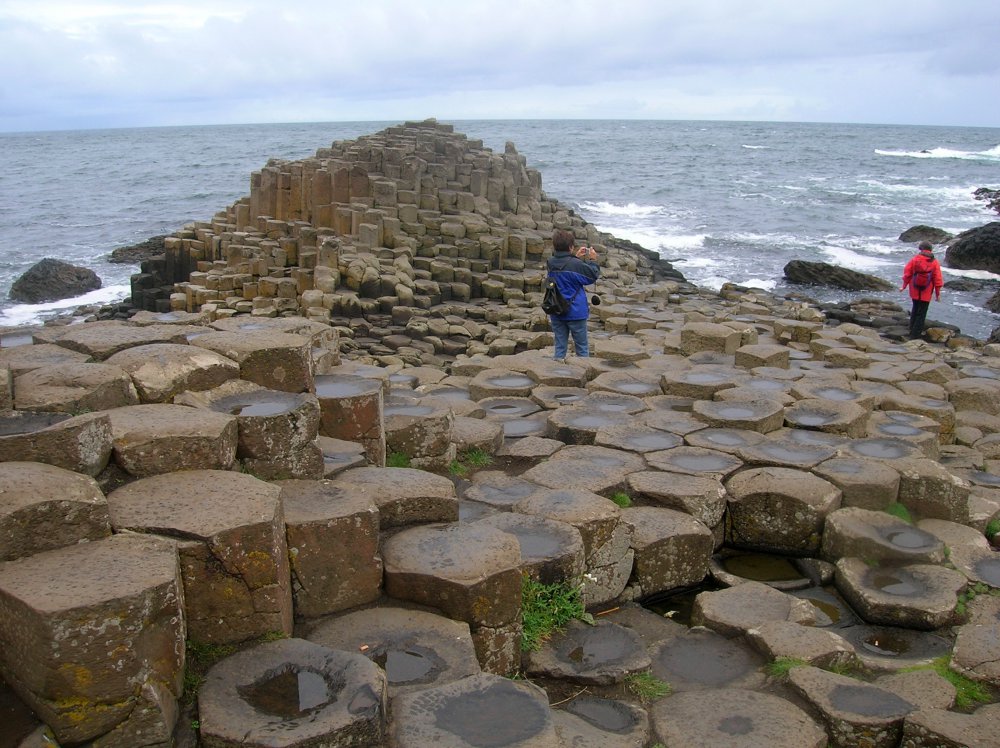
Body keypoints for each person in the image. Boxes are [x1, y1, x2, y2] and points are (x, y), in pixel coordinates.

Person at [546, 229, 600, 361]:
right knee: (581, 347)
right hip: (575, 312)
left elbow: (564, 265)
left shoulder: (550, 262)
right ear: (570, 247)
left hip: (556, 309)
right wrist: (592, 260)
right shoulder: (575, 264)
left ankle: (557, 373)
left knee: (560, 347)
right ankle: (582, 373)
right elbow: (592, 276)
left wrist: (575, 256)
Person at [900, 240, 943, 340]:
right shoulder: (934, 262)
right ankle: (915, 334)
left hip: (915, 289)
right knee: (922, 313)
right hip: (926, 292)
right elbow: (938, 279)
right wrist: (938, 294)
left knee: (915, 308)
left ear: (921, 249)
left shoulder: (915, 259)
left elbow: (907, 273)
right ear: (930, 250)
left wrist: (904, 286)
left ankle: (911, 329)